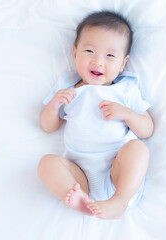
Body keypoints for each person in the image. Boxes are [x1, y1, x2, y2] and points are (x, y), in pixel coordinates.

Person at [38, 10, 154, 219]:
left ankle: (118, 201)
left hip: (117, 170)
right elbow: (48, 126)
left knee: (138, 148)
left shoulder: (126, 90)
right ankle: (80, 202)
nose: (98, 62)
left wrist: (127, 114)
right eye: (89, 51)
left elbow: (147, 129)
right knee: (46, 163)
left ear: (122, 63)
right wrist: (54, 105)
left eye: (110, 56)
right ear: (74, 53)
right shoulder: (68, 89)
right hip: (79, 173)